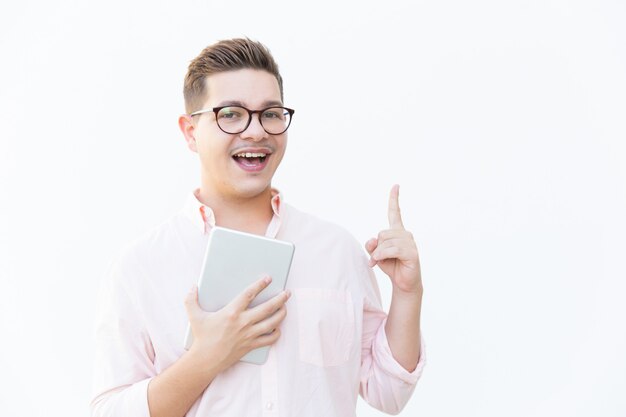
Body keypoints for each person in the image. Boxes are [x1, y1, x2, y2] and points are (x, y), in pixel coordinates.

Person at [90, 38, 425, 417]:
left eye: (271, 113)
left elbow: (388, 393)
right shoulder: (140, 267)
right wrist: (207, 358)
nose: (256, 131)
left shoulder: (336, 250)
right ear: (190, 132)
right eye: (230, 114)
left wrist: (407, 294)